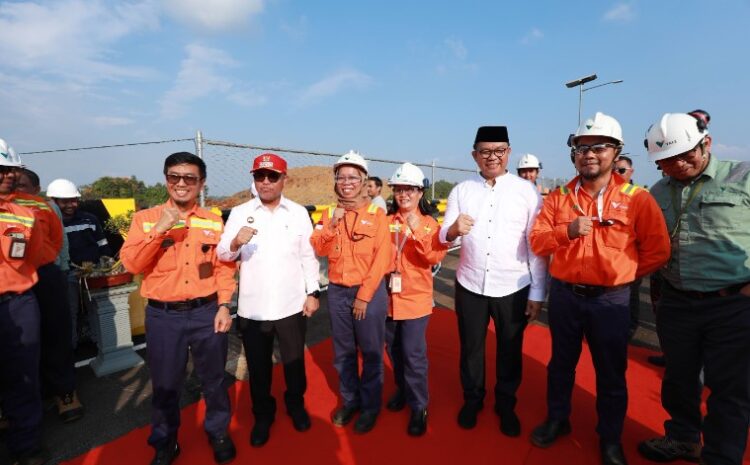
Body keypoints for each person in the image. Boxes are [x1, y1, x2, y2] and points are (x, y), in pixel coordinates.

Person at [529, 112, 670, 465]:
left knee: (611, 373)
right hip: (565, 296)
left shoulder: (638, 199)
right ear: (573, 152)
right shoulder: (559, 198)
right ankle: (557, 420)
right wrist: (566, 232)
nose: (589, 154)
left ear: (616, 151)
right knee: (560, 365)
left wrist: (624, 275)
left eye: (599, 147)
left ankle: (609, 438)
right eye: (581, 147)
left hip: (611, 301)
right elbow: (537, 241)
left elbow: (658, 250)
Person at [638, 113, 750, 465]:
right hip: (676, 302)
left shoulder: (743, 177)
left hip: (732, 304)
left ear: (707, 144)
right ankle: (683, 438)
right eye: (668, 160)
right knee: (679, 379)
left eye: (687, 154)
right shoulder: (657, 192)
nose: (679, 164)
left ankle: (720, 457)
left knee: (729, 389)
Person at [120, 152, 237, 465]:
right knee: (165, 383)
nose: (181, 183)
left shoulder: (213, 220)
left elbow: (224, 266)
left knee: (213, 380)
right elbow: (131, 263)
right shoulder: (144, 219)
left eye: (189, 178)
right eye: (174, 177)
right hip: (163, 316)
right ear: (166, 179)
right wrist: (159, 229)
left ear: (201, 183)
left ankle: (218, 431)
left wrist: (225, 305)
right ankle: (165, 441)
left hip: (207, 311)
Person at [439, 126, 547, 436]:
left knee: (510, 349)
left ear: (509, 152)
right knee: (471, 347)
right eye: (485, 151)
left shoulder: (526, 192)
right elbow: (444, 239)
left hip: (513, 286)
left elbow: (536, 246)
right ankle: (473, 399)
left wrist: (538, 293)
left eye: (499, 150)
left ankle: (505, 403)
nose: (492, 157)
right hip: (470, 283)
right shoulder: (462, 190)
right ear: (475, 155)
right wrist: (452, 230)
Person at [217, 153, 321, 447]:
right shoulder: (239, 212)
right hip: (254, 308)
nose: (265, 182)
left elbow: (308, 256)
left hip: (291, 304)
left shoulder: (298, 212)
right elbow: (223, 253)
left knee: (293, 361)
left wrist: (313, 292)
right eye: (259, 176)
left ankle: (295, 404)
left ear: (283, 179)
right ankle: (263, 415)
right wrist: (236, 241)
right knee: (259, 367)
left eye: (272, 176)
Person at [310, 150, 392, 434]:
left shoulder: (377, 214)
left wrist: (364, 295)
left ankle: (370, 407)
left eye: (352, 177)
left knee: (370, 352)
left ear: (363, 180)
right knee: (343, 352)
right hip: (337, 292)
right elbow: (319, 247)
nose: (346, 182)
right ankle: (350, 400)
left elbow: (384, 258)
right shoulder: (329, 213)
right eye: (341, 176)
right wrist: (333, 223)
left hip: (367, 293)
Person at [12, 168, 84, 424]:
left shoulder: (44, 208)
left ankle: (64, 392)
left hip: (45, 274)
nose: (14, 188)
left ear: (35, 188)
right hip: (8, 281)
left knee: (56, 335)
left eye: (20, 184)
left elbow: (58, 240)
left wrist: (57, 269)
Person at [383, 163, 448, 437]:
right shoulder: (385, 222)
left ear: (420, 192)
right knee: (394, 350)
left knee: (413, 355)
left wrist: (417, 228)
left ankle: (419, 405)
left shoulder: (431, 224)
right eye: (399, 189)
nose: (403, 194)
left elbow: (434, 257)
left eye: (409, 189)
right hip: (387, 301)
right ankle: (403, 389)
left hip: (415, 301)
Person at [0, 138, 48, 464]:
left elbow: (39, 254)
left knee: (25, 377)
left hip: (17, 303)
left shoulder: (24, 214)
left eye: (10, 170)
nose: (6, 176)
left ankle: (26, 446)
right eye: (0, 170)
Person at [46, 178, 112, 347]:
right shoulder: (50, 223)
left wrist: (106, 260)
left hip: (93, 272)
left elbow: (102, 243)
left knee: (97, 308)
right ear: (53, 201)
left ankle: (101, 343)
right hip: (68, 274)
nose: (70, 205)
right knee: (70, 312)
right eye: (65, 201)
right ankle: (71, 350)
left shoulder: (89, 219)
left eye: (73, 200)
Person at [612, 155, 642, 340]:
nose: (617, 173)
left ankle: (630, 327)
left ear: (631, 172)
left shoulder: (639, 196)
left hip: (632, 260)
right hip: (611, 261)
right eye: (615, 170)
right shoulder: (606, 193)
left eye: (622, 170)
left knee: (632, 296)